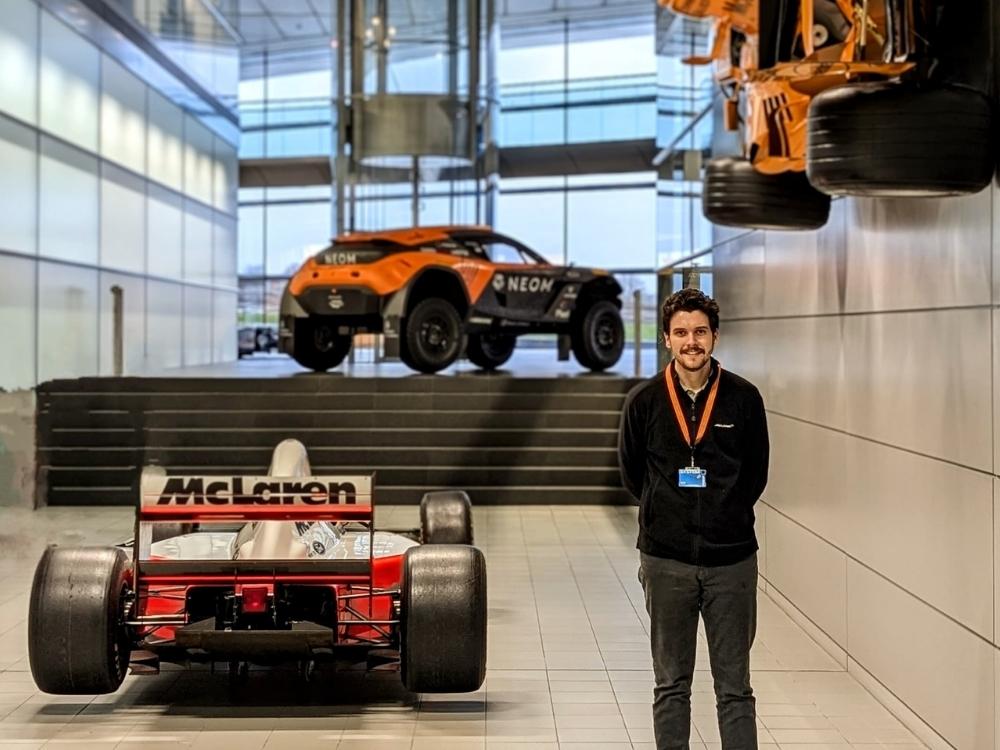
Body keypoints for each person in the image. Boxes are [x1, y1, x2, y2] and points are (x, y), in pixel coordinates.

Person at [618, 288, 769, 750]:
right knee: (670, 685)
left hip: (732, 562)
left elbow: (756, 475)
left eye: (700, 332)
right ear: (667, 339)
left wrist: (724, 513)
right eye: (681, 332)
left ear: (715, 337)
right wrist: (669, 514)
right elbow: (632, 475)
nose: (691, 342)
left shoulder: (744, 398)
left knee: (735, 690)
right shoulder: (644, 401)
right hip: (666, 562)